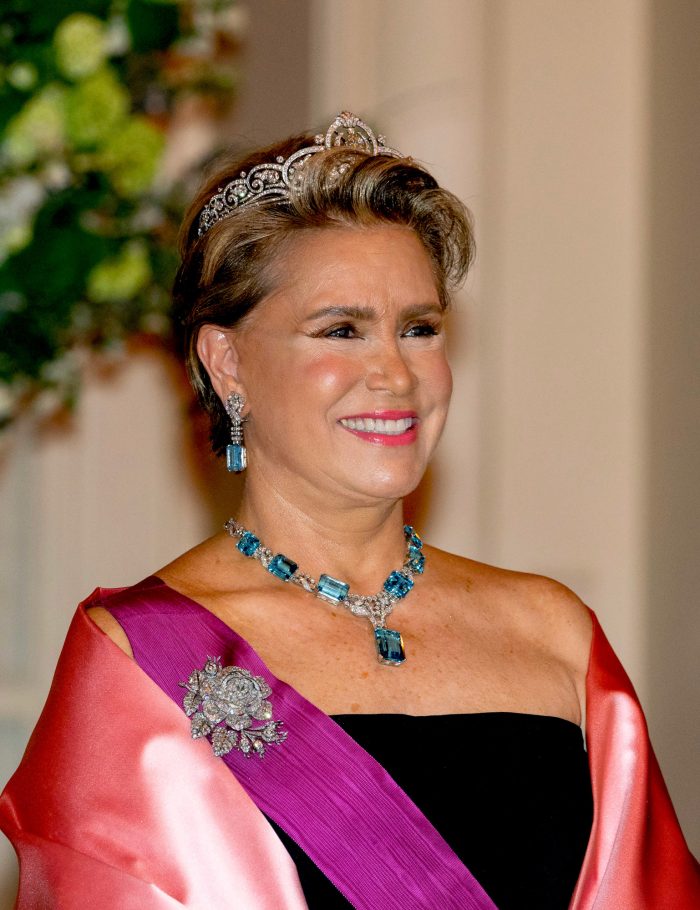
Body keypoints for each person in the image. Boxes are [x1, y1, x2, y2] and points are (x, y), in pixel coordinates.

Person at [1, 112, 698, 910]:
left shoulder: (554, 633)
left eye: (419, 328)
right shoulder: (139, 657)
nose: (396, 374)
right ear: (227, 363)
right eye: (342, 330)